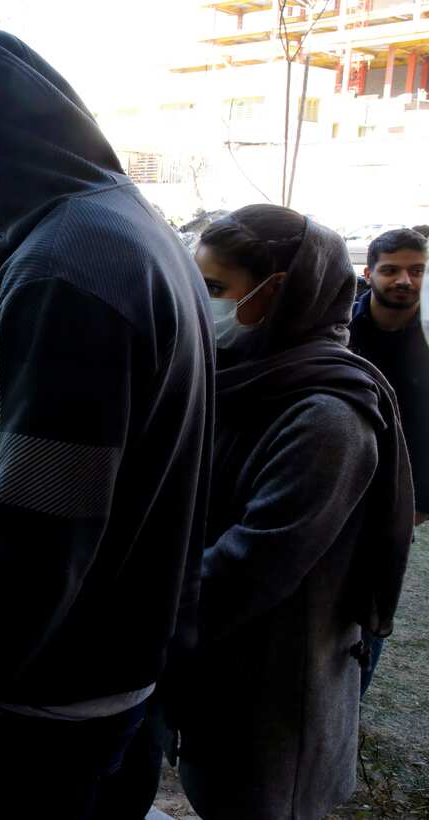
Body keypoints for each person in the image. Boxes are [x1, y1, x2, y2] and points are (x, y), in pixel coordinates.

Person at [0, 32, 214, 819]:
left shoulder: (67, 264)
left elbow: (37, 525)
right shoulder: (132, 227)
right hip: (114, 666)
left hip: (38, 699)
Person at [171, 206, 413, 820]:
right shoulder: (246, 376)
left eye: (215, 288)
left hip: (275, 695)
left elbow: (254, 563)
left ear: (278, 290)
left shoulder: (326, 415)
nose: (202, 302)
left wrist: (149, 611)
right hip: (220, 673)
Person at [346, 227, 428, 697]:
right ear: (369, 273)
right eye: (392, 269)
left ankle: (353, 700)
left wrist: (421, 503)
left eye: (417, 271)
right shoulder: (341, 329)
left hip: (398, 500)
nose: (405, 280)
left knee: (373, 602)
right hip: (336, 484)